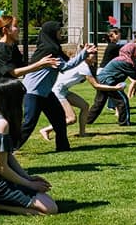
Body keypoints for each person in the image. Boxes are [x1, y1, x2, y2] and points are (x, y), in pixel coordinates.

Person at [0, 79, 57, 218]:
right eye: (22, 96)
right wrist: (30, 185)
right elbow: (2, 168)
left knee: (48, 203)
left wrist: (27, 177)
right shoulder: (1, 124)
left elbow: (8, 156)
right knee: (50, 208)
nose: (24, 99)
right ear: (13, 99)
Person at [18, 21, 93, 151]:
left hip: (46, 93)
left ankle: (63, 147)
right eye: (58, 31)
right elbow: (66, 67)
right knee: (29, 123)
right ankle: (10, 148)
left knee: (59, 120)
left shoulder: (51, 48)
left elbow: (66, 63)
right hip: (33, 92)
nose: (61, 33)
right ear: (52, 33)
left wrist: (83, 53)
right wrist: (84, 54)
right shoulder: (49, 50)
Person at [0, 15, 59, 119]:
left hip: (5, 94)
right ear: (5, 30)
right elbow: (14, 72)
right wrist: (39, 64)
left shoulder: (12, 47)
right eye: (15, 26)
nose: (18, 29)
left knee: (10, 130)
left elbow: (24, 67)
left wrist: (42, 62)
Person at [40, 50, 126, 140]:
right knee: (71, 119)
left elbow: (97, 81)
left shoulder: (87, 66)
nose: (95, 55)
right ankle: (46, 130)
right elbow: (96, 86)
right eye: (92, 54)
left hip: (63, 90)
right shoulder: (83, 67)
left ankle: (82, 133)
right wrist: (115, 88)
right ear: (86, 56)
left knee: (84, 106)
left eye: (95, 53)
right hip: (57, 91)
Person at [86, 42, 136, 126]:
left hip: (101, 80)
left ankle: (87, 120)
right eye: (135, 51)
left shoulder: (121, 59)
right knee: (122, 100)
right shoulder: (125, 62)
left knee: (99, 102)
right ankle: (124, 122)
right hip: (109, 82)